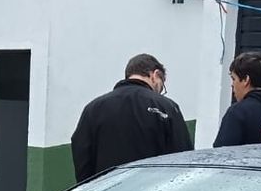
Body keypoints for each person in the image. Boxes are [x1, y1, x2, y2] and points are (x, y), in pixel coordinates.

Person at [70, 54, 191, 183]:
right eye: (162, 86)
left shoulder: (93, 109)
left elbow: (82, 156)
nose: (160, 92)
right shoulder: (166, 107)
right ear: (155, 75)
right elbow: (183, 159)